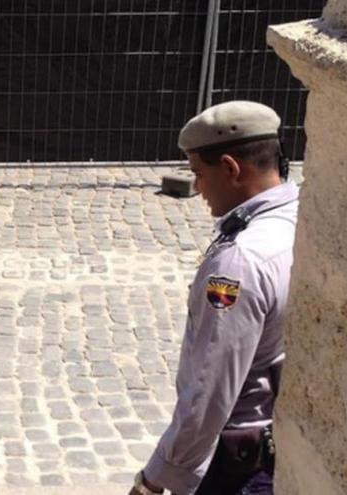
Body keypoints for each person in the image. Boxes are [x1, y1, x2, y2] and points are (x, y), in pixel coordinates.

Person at [130, 101, 299, 495]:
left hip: (235, 469)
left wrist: (154, 481)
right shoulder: (298, 219)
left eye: (198, 174)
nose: (197, 188)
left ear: (230, 168)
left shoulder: (239, 262)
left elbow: (210, 390)